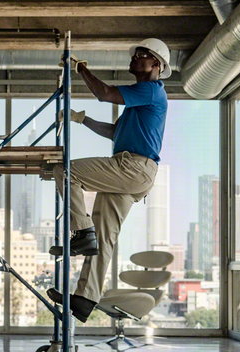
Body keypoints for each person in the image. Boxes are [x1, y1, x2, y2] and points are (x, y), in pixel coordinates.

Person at [47, 38, 170, 323]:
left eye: (142, 55)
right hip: (134, 172)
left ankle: (81, 233)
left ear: (156, 65)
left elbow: (104, 93)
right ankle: (85, 299)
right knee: (105, 237)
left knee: (65, 171)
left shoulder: (151, 90)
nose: (134, 57)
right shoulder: (142, 100)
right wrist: (82, 119)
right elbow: (116, 132)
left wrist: (81, 70)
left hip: (132, 168)